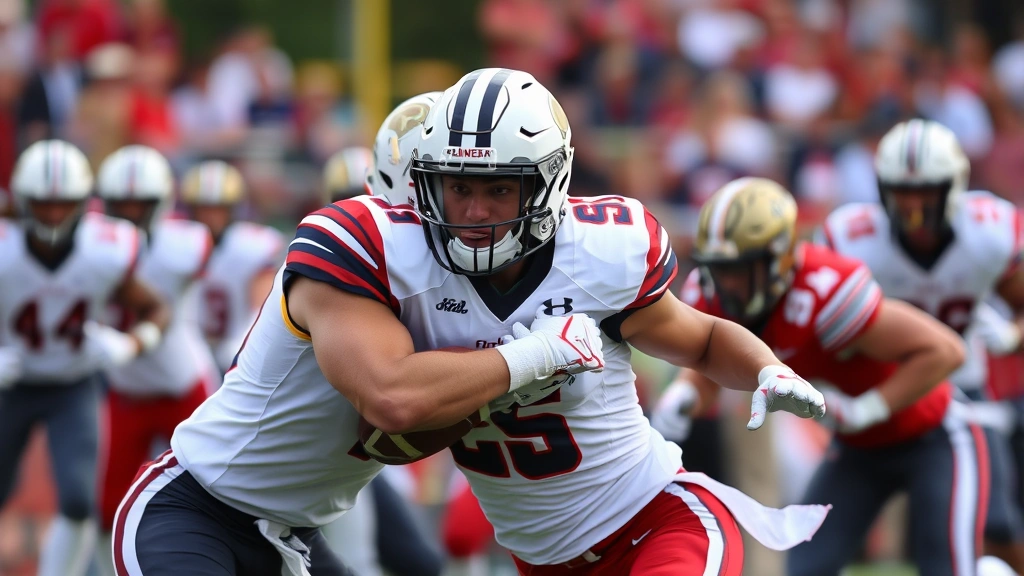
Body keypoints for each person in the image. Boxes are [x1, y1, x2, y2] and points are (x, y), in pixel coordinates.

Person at [115, 68, 828, 575]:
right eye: (455, 189)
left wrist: (765, 366)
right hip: (208, 508)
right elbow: (392, 405)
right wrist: (535, 360)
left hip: (646, 514)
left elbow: (697, 334)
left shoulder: (597, 253)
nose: (472, 214)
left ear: (547, 186)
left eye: (497, 189)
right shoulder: (368, 253)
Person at [674, 175, 983, 576]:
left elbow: (945, 350)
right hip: (857, 449)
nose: (726, 282)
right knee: (804, 569)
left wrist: (869, 407)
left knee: (949, 568)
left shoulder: (823, 289)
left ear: (778, 259)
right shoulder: (710, 295)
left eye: (739, 268)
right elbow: (707, 378)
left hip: (934, 435)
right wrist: (680, 397)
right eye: (719, 268)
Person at [820, 118, 1024, 572]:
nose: (912, 206)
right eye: (901, 191)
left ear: (954, 186)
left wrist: (1013, 336)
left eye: (926, 192)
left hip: (963, 395)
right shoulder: (855, 239)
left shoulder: (988, 233)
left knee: (997, 527)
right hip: (882, 397)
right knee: (819, 545)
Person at [0, 140, 170, 576]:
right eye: (42, 203)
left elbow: (157, 309)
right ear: (21, 200)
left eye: (64, 203)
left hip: (73, 385)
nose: (53, 215)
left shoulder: (105, 248)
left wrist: (131, 344)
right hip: (11, 385)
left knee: (79, 500)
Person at [93, 145, 219, 575]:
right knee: (107, 506)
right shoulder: (89, 242)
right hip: (126, 389)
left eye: (139, 204)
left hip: (183, 384)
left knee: (217, 490)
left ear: (161, 203)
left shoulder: (183, 244)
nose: (128, 213)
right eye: (120, 203)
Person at [181, 160, 285, 373]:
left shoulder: (250, 246)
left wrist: (243, 342)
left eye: (218, 209)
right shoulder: (180, 244)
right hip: (191, 351)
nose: (210, 217)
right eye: (203, 208)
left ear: (233, 210)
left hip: (237, 350)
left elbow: (262, 306)